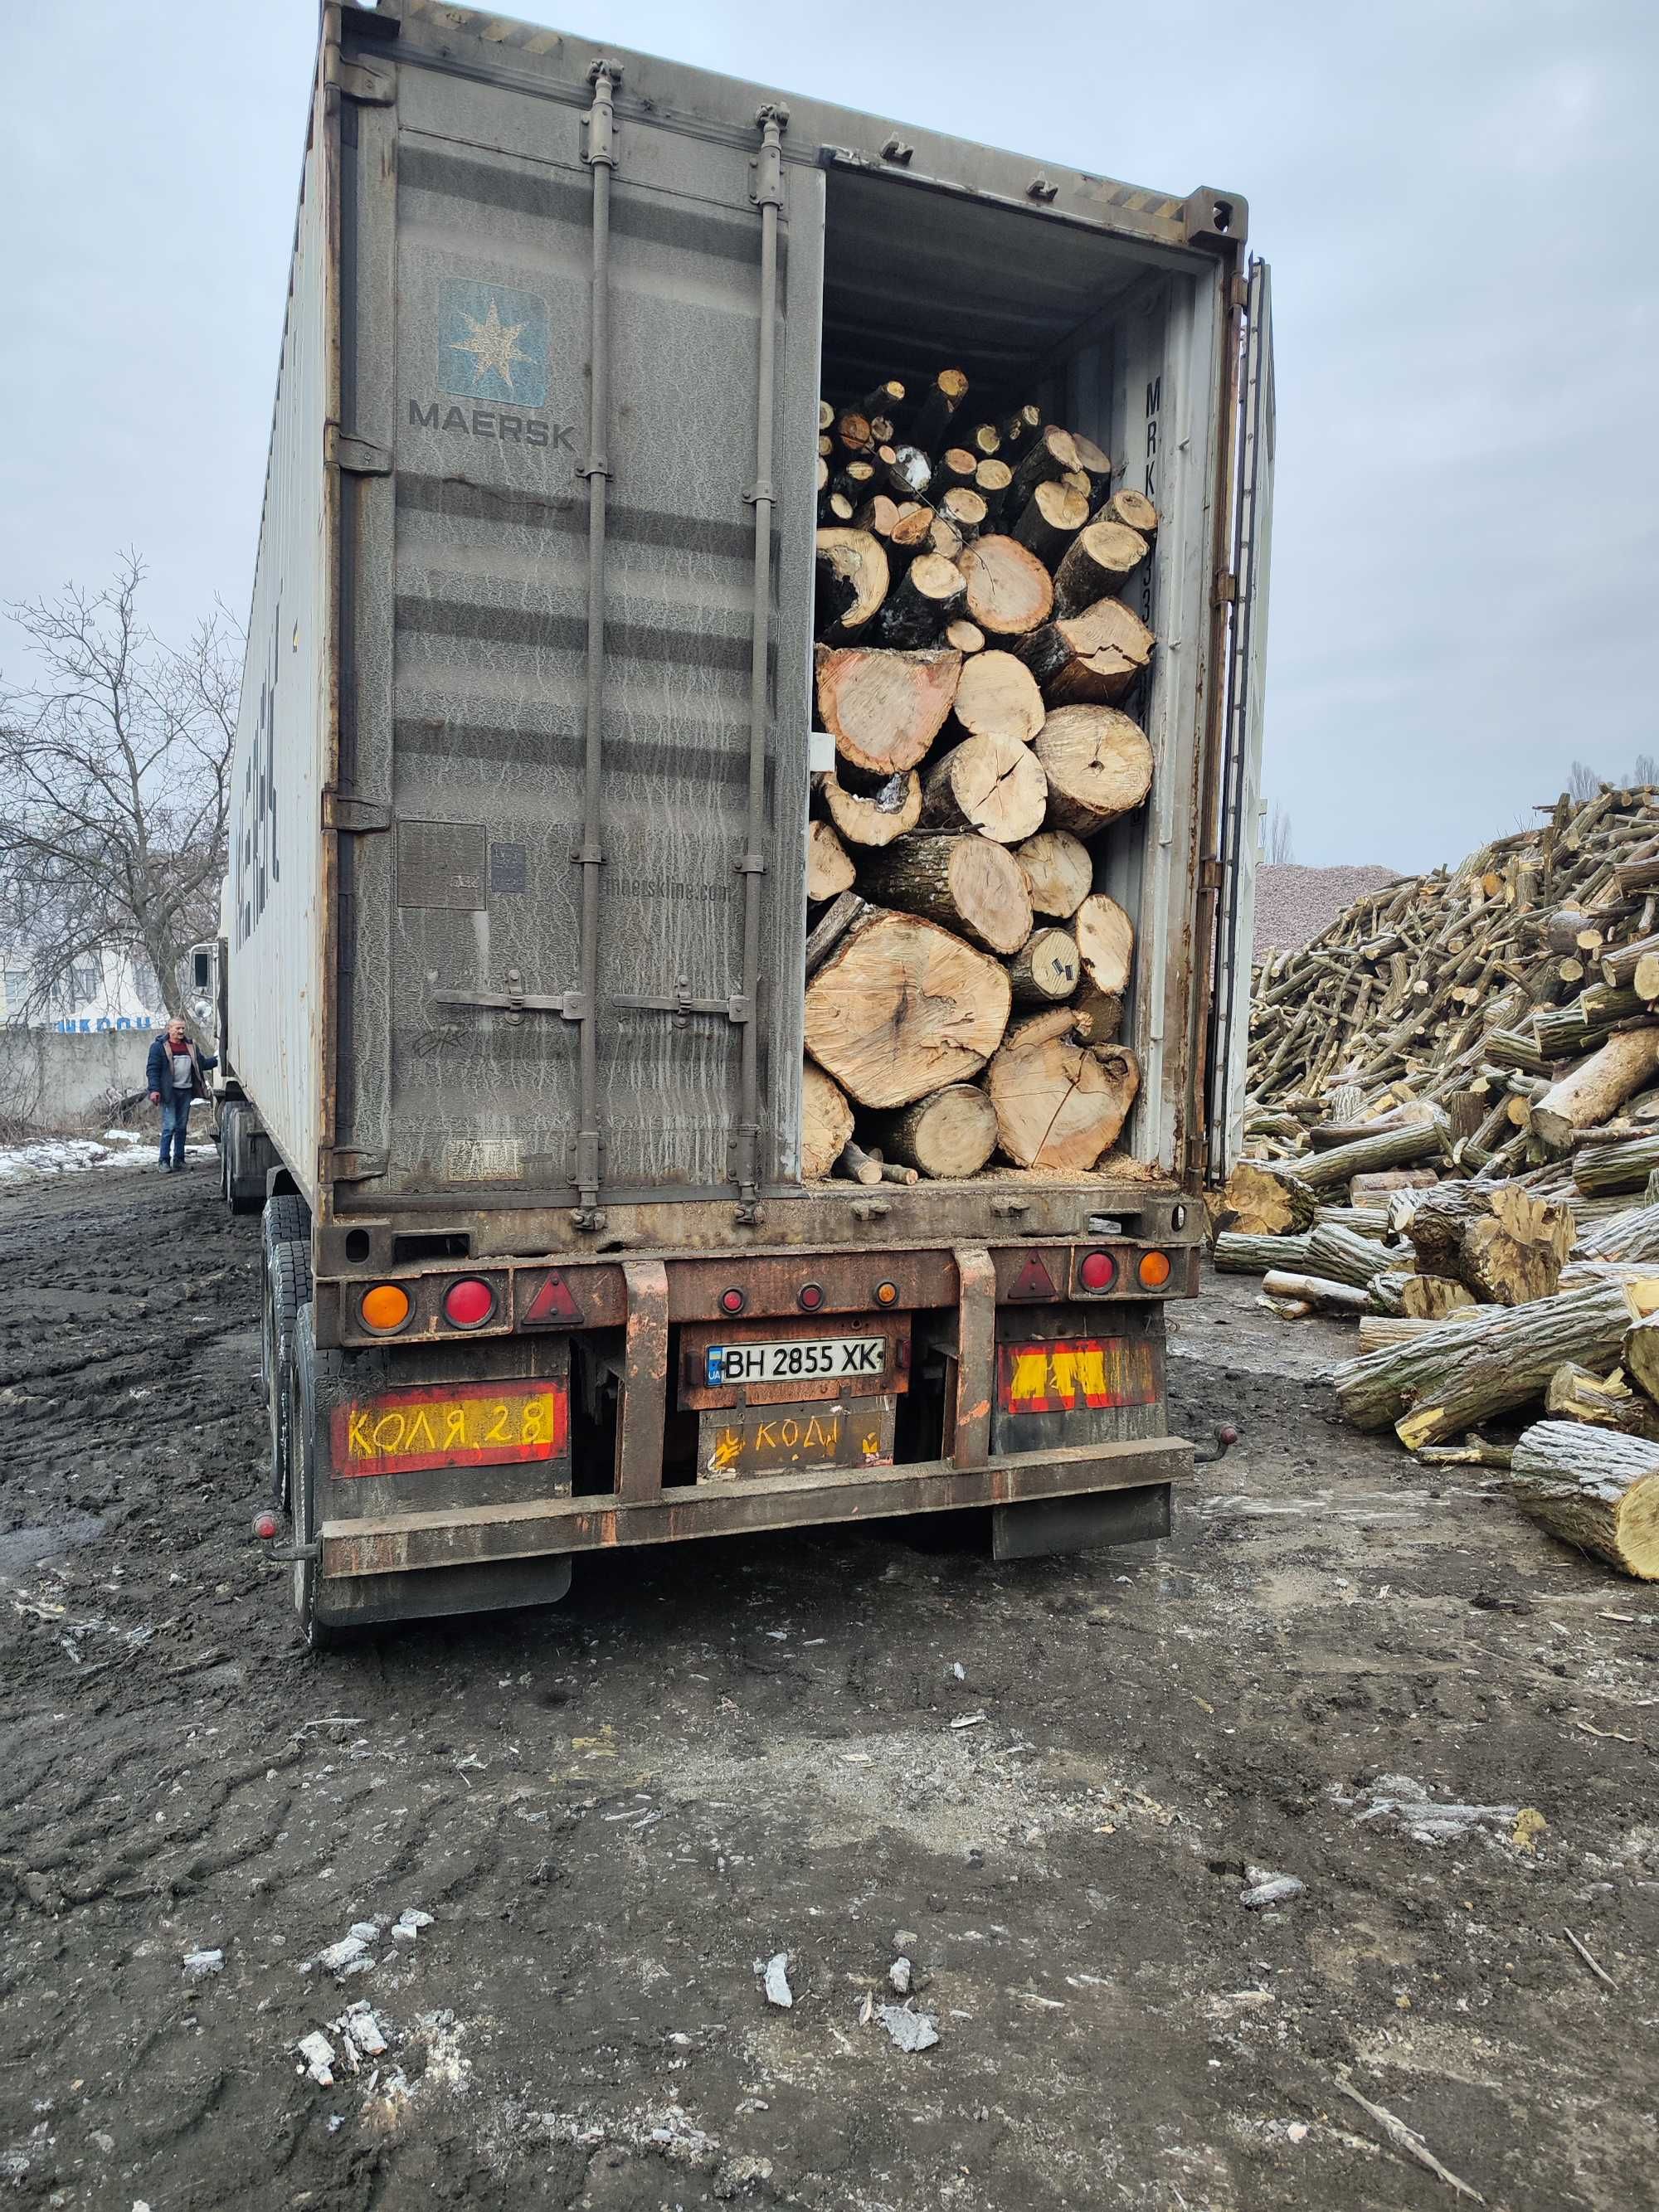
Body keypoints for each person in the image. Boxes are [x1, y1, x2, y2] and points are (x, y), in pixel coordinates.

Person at [146, 1017, 217, 1173]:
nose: (180, 1032)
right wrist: (154, 1090)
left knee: (181, 1127)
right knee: (169, 1126)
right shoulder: (158, 1048)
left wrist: (219, 1059)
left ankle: (179, 1159)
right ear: (169, 1029)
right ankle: (163, 1161)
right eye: (177, 1028)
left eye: (183, 1028)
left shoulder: (190, 1046)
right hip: (168, 1093)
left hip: (186, 1092)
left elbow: (202, 1064)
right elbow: (153, 1070)